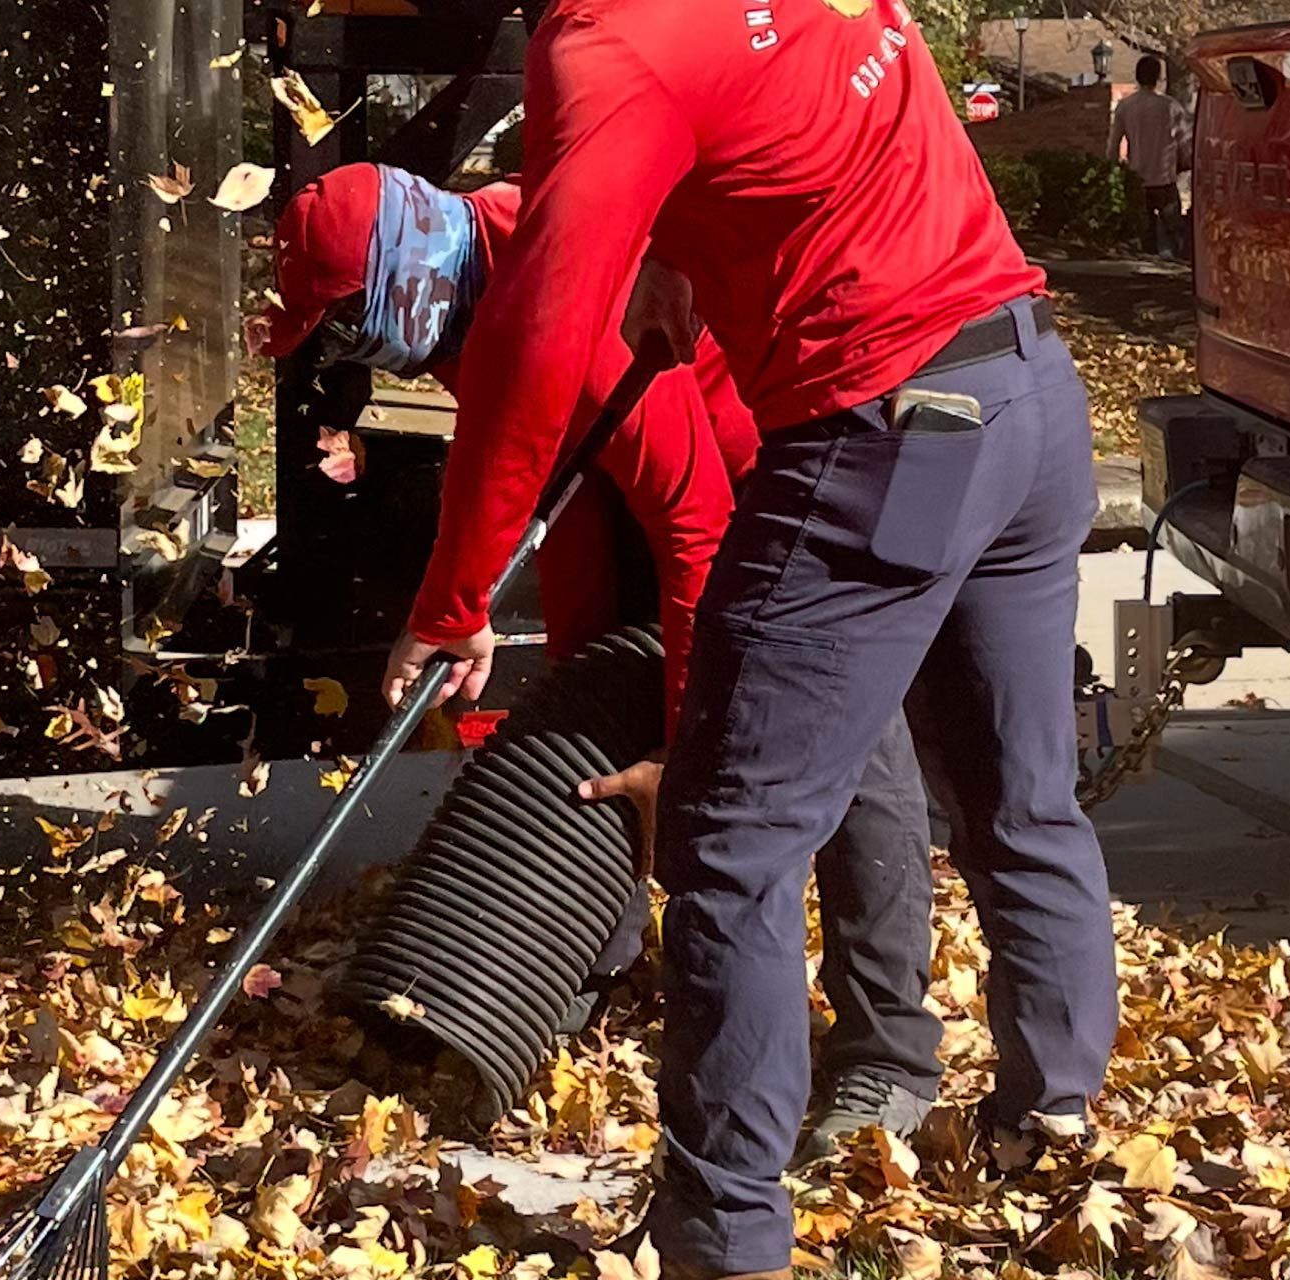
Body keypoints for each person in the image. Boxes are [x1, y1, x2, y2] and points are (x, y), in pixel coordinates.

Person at [379, 0, 1120, 1270]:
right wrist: (679, 255)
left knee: (729, 852)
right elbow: (791, 128)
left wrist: (451, 603)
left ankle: (723, 1233)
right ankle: (1052, 1127)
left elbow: (538, 344)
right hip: (1029, 396)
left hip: (885, 433)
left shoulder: (607, 40)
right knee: (1021, 795)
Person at [252, 162, 945, 1161]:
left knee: (843, 710)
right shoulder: (473, 282)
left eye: (352, 326)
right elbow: (562, 492)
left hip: (789, 457)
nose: (365, 356)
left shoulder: (557, 289)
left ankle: (889, 1049)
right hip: (666, 475)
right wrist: (533, 642)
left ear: (398, 279)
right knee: (620, 699)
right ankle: (593, 948)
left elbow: (699, 524)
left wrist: (688, 747)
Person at [1107, 54, 1187, 259]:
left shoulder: (1126, 106)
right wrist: (1184, 163)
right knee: (1175, 231)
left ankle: (1150, 264)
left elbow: (1114, 143)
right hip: (1164, 177)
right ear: (1158, 77)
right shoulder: (1170, 107)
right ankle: (1178, 267)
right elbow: (1184, 143)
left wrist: (1112, 170)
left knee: (1145, 234)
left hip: (1137, 177)